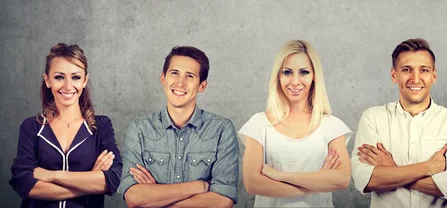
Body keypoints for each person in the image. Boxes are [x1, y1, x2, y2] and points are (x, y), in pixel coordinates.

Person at [351, 38, 447, 208]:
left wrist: (391, 169)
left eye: (424, 70)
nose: (416, 79)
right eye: (407, 70)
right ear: (394, 75)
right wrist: (428, 167)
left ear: (434, 76)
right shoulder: (373, 118)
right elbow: (364, 179)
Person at [118, 46, 238, 208]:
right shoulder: (140, 129)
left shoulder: (221, 129)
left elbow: (222, 201)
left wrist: (154, 197)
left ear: (202, 85)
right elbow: (134, 197)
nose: (180, 83)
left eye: (189, 76)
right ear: (163, 78)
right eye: (174, 73)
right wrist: (198, 186)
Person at [238, 40, 352, 207]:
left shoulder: (332, 126)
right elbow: (252, 183)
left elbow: (342, 179)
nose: (295, 81)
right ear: (278, 76)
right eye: (287, 72)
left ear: (314, 76)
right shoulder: (259, 124)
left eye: (304, 72)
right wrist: (318, 182)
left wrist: (279, 175)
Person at [10, 43, 122, 207]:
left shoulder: (101, 126)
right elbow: (24, 183)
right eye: (59, 77)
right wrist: (90, 180)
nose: (68, 86)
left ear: (85, 81)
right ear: (48, 80)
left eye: (75, 77)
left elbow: (112, 180)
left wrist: (52, 176)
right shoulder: (32, 127)